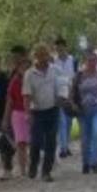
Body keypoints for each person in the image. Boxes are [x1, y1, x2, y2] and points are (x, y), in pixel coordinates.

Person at [24, 44, 65, 182]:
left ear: (49, 56)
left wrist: (62, 97)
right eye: (40, 55)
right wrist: (27, 113)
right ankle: (33, 165)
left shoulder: (56, 70)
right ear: (35, 57)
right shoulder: (29, 74)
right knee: (36, 141)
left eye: (45, 55)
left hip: (53, 109)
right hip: (37, 111)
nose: (43, 58)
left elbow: (63, 86)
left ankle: (46, 171)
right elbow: (27, 96)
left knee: (51, 142)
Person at [71, 50, 97, 174]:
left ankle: (95, 163)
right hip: (83, 110)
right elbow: (72, 93)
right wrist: (73, 104)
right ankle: (85, 163)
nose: (91, 63)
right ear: (85, 62)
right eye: (89, 60)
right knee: (85, 138)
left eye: (94, 60)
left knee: (96, 134)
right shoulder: (79, 76)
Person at [2, 49, 31, 180]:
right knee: (21, 143)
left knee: (31, 142)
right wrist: (5, 119)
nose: (24, 69)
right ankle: (23, 170)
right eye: (22, 67)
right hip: (18, 114)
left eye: (27, 67)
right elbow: (9, 101)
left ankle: (31, 165)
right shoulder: (14, 82)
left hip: (31, 112)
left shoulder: (33, 80)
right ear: (18, 68)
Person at [52, 37, 78, 159]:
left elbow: (75, 77)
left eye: (61, 47)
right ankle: (63, 148)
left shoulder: (73, 60)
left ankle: (66, 144)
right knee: (61, 121)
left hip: (70, 92)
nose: (59, 50)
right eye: (57, 48)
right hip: (59, 93)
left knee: (68, 121)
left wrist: (74, 94)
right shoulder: (53, 62)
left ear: (65, 47)